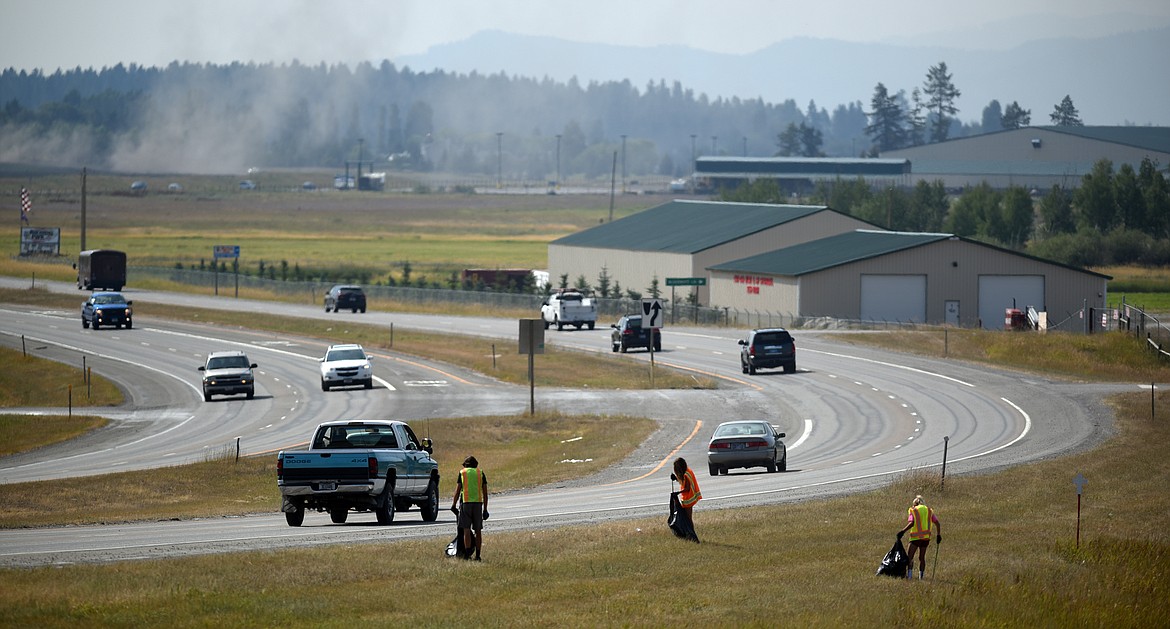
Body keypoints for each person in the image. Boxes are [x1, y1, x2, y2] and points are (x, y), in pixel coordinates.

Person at [450, 455, 488, 561]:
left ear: (465, 465)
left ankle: (467, 555)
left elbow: (457, 491)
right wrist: (485, 509)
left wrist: (453, 505)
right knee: (478, 531)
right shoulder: (480, 473)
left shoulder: (463, 473)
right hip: (478, 504)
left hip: (466, 504)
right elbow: (485, 493)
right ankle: (478, 555)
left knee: (466, 530)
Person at [897, 494, 941, 579]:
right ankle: (921, 577)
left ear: (915, 503)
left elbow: (911, 523)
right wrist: (938, 535)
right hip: (926, 538)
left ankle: (909, 576)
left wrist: (902, 531)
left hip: (915, 538)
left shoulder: (913, 510)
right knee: (922, 558)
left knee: (909, 557)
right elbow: (937, 523)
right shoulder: (929, 511)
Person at [670, 457, 702, 542]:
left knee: (688, 518)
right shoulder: (688, 471)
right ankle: (690, 534)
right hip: (689, 498)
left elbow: (687, 488)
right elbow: (684, 483)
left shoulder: (685, 475)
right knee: (688, 518)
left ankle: (692, 535)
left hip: (688, 498)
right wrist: (676, 479)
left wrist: (678, 492)